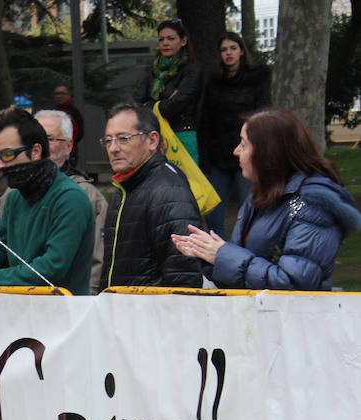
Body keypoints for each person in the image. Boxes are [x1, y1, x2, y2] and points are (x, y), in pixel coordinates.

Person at [172, 108, 361, 290]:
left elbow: (293, 283)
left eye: (244, 145)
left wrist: (223, 256)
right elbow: (245, 274)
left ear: (268, 153)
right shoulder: (261, 195)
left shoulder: (310, 204)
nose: (236, 151)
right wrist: (208, 256)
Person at [0, 106, 93, 297]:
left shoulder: (71, 198)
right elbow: (2, 257)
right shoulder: (14, 198)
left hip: (64, 312)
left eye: (7, 155)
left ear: (36, 151)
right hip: (20, 310)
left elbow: (51, 269)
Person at [99, 103, 203, 290]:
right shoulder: (124, 187)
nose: (113, 148)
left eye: (123, 139)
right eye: (108, 140)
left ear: (152, 141)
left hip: (150, 307)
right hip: (119, 306)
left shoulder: (169, 190)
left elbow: (183, 275)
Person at [200, 32, 270, 238]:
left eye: (233, 48)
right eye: (224, 50)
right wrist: (206, 160)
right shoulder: (213, 83)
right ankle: (220, 252)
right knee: (212, 215)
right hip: (219, 157)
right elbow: (205, 121)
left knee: (248, 211)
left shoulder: (257, 78)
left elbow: (263, 115)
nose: (228, 53)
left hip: (248, 154)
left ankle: (246, 251)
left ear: (241, 51)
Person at [35, 109, 107, 294]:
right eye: (35, 139)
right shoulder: (11, 195)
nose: (41, 147)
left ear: (68, 146)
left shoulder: (89, 197)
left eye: (50, 139)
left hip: (70, 300)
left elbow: (96, 262)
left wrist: (84, 303)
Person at [138, 19, 202, 163]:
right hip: (156, 136)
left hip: (182, 134)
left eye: (171, 38)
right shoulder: (153, 70)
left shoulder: (192, 69)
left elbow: (177, 104)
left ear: (183, 41)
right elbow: (138, 102)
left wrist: (151, 104)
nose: (165, 43)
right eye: (161, 39)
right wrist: (162, 103)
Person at [52, 83, 84, 167]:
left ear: (68, 95)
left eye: (62, 93)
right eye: (57, 94)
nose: (59, 96)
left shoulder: (74, 112)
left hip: (70, 152)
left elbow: (80, 133)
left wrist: (67, 144)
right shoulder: (54, 112)